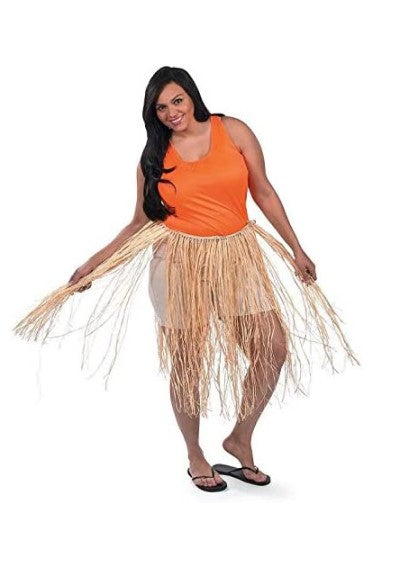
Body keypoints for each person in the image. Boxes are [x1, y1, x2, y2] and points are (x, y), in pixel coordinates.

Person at [13, 66, 360, 492]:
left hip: (237, 254)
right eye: (161, 108)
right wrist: (95, 264)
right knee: (188, 364)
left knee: (272, 347)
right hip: (176, 262)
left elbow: (264, 192)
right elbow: (139, 222)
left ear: (192, 96)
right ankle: (195, 453)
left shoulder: (233, 130)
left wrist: (296, 249)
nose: (171, 112)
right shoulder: (153, 157)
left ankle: (240, 437)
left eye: (177, 100)